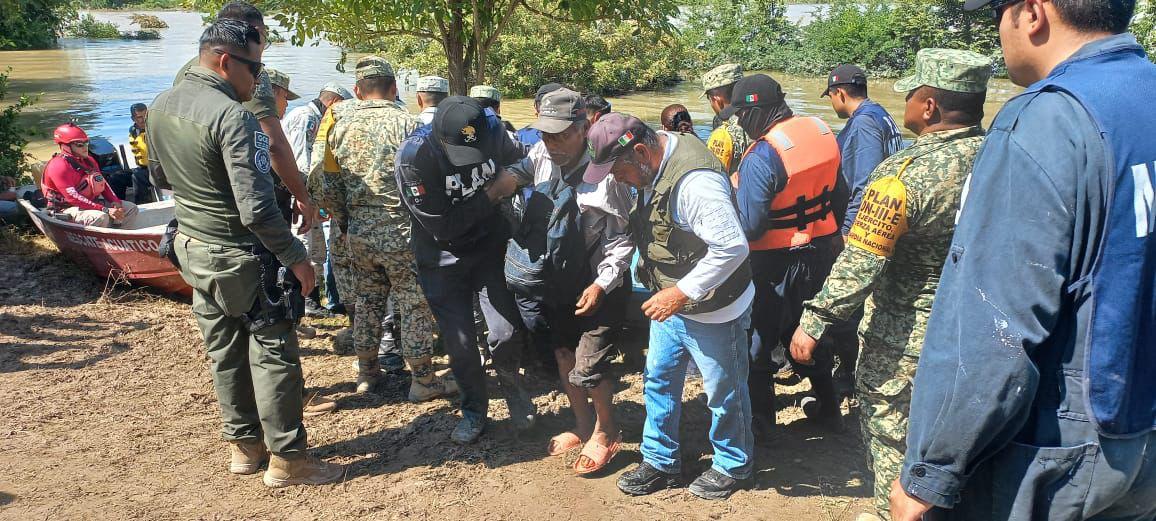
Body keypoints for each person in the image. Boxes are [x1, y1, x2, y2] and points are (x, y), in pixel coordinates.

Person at [892, 1, 1156, 520]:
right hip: (1141, 422)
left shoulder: (1047, 118)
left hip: (1066, 448)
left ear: (1033, 13)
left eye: (999, 10)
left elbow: (996, 321)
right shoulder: (1145, 94)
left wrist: (931, 470)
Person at [789, 48, 992, 521]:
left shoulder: (902, 175)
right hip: (980, 330)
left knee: (890, 432)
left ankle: (888, 512)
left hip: (906, 336)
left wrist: (815, 320)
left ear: (930, 107)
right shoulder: (1000, 155)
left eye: (912, 93)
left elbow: (861, 261)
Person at [146, 19, 342, 488]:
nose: (259, 80)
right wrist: (297, 256)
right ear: (224, 60)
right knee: (274, 351)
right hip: (241, 254)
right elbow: (256, 209)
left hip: (192, 247)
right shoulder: (232, 117)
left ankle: (244, 447)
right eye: (255, 68)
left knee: (224, 350)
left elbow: (160, 177)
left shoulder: (160, 105)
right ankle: (289, 459)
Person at [588, 114, 754, 500]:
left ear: (642, 152)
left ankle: (734, 464)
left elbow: (732, 247)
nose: (617, 180)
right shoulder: (652, 157)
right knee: (658, 378)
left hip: (714, 308)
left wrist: (682, 293)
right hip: (668, 302)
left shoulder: (696, 183)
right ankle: (660, 459)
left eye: (619, 172)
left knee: (723, 390)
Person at [503, 88, 636, 474]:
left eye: (562, 134)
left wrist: (600, 285)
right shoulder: (542, 153)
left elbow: (623, 241)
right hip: (557, 275)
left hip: (600, 279)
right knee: (563, 353)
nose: (553, 143)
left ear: (585, 126)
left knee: (589, 363)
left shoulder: (608, 174)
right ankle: (582, 423)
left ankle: (607, 431)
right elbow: (525, 170)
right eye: (546, 134)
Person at [312, 55, 458, 400]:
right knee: (413, 303)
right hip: (403, 232)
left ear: (356, 91)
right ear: (394, 89)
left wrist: (345, 221)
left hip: (359, 233)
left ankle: (367, 372)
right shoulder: (409, 125)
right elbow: (431, 181)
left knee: (367, 300)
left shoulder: (337, 121)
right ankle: (422, 379)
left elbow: (323, 182)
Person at [395, 96, 533, 444]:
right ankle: (474, 410)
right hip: (441, 258)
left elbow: (524, 161)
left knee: (504, 332)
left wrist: (514, 177)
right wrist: (492, 193)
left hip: (489, 248)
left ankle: (514, 390)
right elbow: (444, 227)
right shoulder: (415, 157)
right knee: (461, 346)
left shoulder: (493, 128)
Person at [721, 73, 846, 440]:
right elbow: (840, 195)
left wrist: (731, 196)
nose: (739, 122)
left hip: (775, 260)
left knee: (759, 338)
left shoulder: (762, 155)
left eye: (742, 115)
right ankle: (829, 410)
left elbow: (753, 226)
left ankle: (762, 422)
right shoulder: (821, 132)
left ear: (758, 111)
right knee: (807, 327)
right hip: (820, 251)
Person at [172, 1, 315, 235]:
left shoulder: (189, 69)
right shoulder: (252, 72)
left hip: (196, 201)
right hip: (244, 203)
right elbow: (272, 144)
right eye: (263, 38)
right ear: (255, 33)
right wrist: (301, 196)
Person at [820, 64, 905, 401]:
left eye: (830, 97)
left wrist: (846, 233)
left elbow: (866, 182)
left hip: (865, 231)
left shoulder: (865, 123)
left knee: (853, 304)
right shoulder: (882, 115)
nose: (831, 104)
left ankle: (850, 375)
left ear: (839, 93)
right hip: (883, 227)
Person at [283, 81, 351, 317]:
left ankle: (311, 300)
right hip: (300, 194)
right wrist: (309, 200)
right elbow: (302, 161)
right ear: (333, 102)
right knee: (306, 247)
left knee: (317, 250)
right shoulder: (307, 118)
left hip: (307, 194)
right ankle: (306, 302)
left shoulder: (314, 118)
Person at [42, 123, 138, 228]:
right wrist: (104, 209)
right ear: (65, 146)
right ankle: (101, 241)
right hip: (66, 208)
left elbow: (103, 183)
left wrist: (115, 202)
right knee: (101, 217)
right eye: (79, 144)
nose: (85, 147)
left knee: (131, 209)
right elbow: (72, 197)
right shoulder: (58, 166)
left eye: (86, 143)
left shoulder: (89, 161)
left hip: (91, 203)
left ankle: (120, 237)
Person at [702, 63, 751, 175]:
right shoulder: (768, 115)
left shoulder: (723, 134)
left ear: (717, 100)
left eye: (709, 99)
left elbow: (713, 179)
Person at [125, 103, 156, 203]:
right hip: (143, 168)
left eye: (145, 116)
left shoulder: (155, 130)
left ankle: (142, 206)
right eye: (139, 117)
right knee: (116, 178)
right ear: (133, 118)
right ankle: (119, 206)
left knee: (137, 176)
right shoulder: (133, 131)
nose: (143, 120)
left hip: (158, 169)